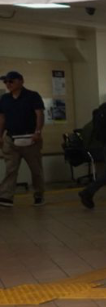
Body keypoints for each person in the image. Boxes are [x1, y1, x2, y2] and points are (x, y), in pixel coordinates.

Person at [0, 71, 46, 207]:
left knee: (36, 170)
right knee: (10, 169)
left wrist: (37, 132)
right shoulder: (4, 99)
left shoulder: (32, 96)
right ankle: (6, 196)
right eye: (5, 82)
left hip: (30, 139)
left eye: (11, 81)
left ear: (21, 81)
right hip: (11, 139)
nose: (8, 84)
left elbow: (39, 114)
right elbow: (2, 118)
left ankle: (39, 195)